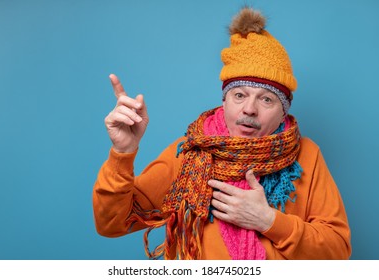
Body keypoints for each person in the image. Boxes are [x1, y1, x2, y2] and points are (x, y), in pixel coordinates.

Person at [93, 7, 352, 260]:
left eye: (266, 100)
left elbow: (338, 251)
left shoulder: (307, 155)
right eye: (239, 95)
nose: (249, 109)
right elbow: (112, 224)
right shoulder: (189, 153)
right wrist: (122, 153)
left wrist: (269, 221)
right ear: (225, 99)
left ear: (283, 110)